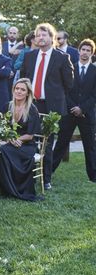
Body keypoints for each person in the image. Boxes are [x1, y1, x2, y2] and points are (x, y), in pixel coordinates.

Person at [20, 23, 74, 190]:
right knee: (27, 139)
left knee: (46, 143)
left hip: (51, 106)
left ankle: (46, 178)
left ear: (52, 38)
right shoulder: (30, 56)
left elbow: (69, 84)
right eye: (37, 35)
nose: (40, 38)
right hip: (31, 104)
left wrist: (56, 98)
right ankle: (24, 175)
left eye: (44, 35)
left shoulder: (62, 57)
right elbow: (23, 79)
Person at [53, 39, 96, 182]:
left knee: (90, 146)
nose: (85, 53)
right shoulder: (70, 68)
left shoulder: (95, 71)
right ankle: (49, 171)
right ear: (78, 51)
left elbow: (94, 95)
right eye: (83, 50)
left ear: (92, 53)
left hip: (87, 114)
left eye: (88, 50)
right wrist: (74, 108)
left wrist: (82, 108)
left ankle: (93, 176)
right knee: (61, 144)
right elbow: (65, 91)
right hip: (69, 113)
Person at [0, 79, 42, 201]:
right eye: (17, 88)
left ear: (27, 93)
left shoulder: (32, 109)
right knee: (4, 150)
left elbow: (30, 135)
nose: (19, 91)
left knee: (6, 151)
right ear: (13, 90)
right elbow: (2, 128)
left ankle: (18, 189)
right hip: (9, 142)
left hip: (27, 145)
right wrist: (10, 139)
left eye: (23, 89)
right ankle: (7, 189)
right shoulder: (7, 106)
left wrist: (17, 139)